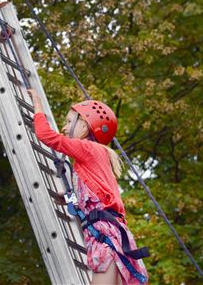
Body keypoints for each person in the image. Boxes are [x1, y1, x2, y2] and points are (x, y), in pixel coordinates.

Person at [27, 89, 148, 285]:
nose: (65, 128)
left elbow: (46, 135)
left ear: (84, 125)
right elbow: (92, 200)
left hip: (105, 236)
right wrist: (67, 198)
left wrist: (37, 105)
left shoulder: (89, 149)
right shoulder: (90, 160)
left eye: (68, 122)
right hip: (108, 234)